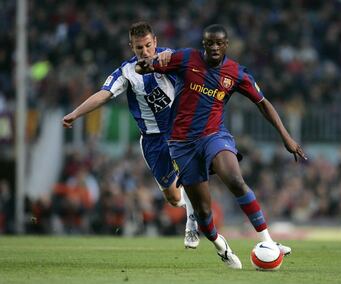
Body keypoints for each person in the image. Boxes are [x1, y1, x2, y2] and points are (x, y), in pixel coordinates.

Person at [136, 24, 307, 269]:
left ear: (226, 45)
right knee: (204, 212)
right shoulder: (185, 58)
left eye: (219, 43)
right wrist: (152, 59)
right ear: (203, 44)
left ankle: (268, 241)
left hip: (214, 135)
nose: (214, 47)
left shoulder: (236, 73)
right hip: (182, 144)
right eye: (210, 43)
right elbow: (142, 68)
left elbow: (263, 103)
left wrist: (286, 138)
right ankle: (221, 246)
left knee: (236, 181)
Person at [62, 22, 199, 248]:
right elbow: (104, 94)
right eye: (139, 48)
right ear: (131, 47)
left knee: (190, 175)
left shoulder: (170, 58)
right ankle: (192, 204)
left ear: (155, 41)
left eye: (148, 45)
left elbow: (196, 65)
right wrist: (76, 113)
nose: (144, 52)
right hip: (152, 140)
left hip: (179, 131)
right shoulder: (126, 72)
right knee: (173, 199)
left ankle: (192, 222)